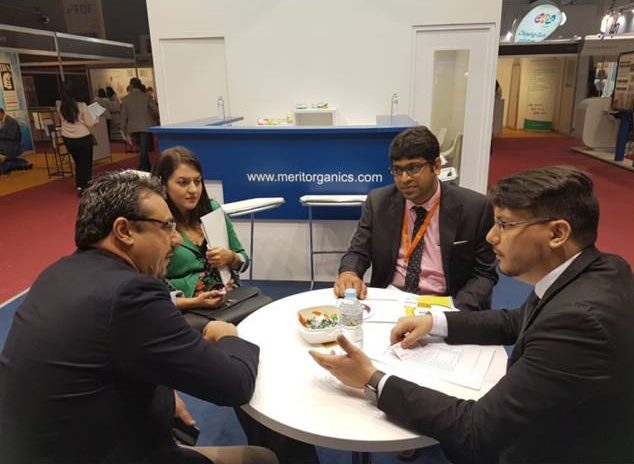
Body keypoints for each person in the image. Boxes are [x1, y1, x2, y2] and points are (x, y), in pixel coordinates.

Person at [311, 166, 634, 464]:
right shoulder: (600, 268)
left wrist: (371, 379)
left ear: (557, 234)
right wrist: (436, 321)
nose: (491, 236)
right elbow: (517, 320)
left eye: (505, 224)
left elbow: (476, 430)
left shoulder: (579, 321)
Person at [0, 171, 277, 464]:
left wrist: (163, 393)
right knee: (262, 459)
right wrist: (228, 336)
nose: (176, 240)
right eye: (167, 227)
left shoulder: (56, 274)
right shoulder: (130, 294)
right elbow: (234, 385)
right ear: (124, 230)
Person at [334, 125, 498, 311]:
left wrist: (455, 309)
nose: (404, 179)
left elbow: (484, 274)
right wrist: (349, 273)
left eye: (413, 168)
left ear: (436, 166)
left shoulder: (474, 208)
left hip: (444, 304)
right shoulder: (379, 202)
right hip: (392, 299)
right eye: (397, 170)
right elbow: (358, 251)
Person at [152, 147, 270, 320]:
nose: (193, 190)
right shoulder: (154, 222)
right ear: (163, 185)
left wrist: (231, 258)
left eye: (197, 181)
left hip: (230, 299)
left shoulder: (212, 210)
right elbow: (148, 294)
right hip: (185, 312)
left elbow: (244, 261)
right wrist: (193, 302)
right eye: (183, 183)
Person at [56, 82, 99, 193]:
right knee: (86, 163)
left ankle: (79, 185)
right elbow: (90, 123)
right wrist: (96, 117)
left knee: (78, 162)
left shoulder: (59, 105)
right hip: (83, 137)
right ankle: (85, 186)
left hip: (67, 138)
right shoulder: (81, 105)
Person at [121, 77, 158, 171]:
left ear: (131, 86)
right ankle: (144, 168)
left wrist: (123, 128)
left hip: (133, 127)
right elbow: (155, 109)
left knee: (141, 148)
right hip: (146, 125)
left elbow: (123, 116)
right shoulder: (146, 97)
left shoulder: (125, 99)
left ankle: (145, 166)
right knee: (143, 148)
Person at [0, 107, 30, 173]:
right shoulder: (4, 121)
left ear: (1, 113)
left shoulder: (10, 121)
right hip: (7, 143)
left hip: (12, 145)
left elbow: (12, 136)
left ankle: (6, 167)